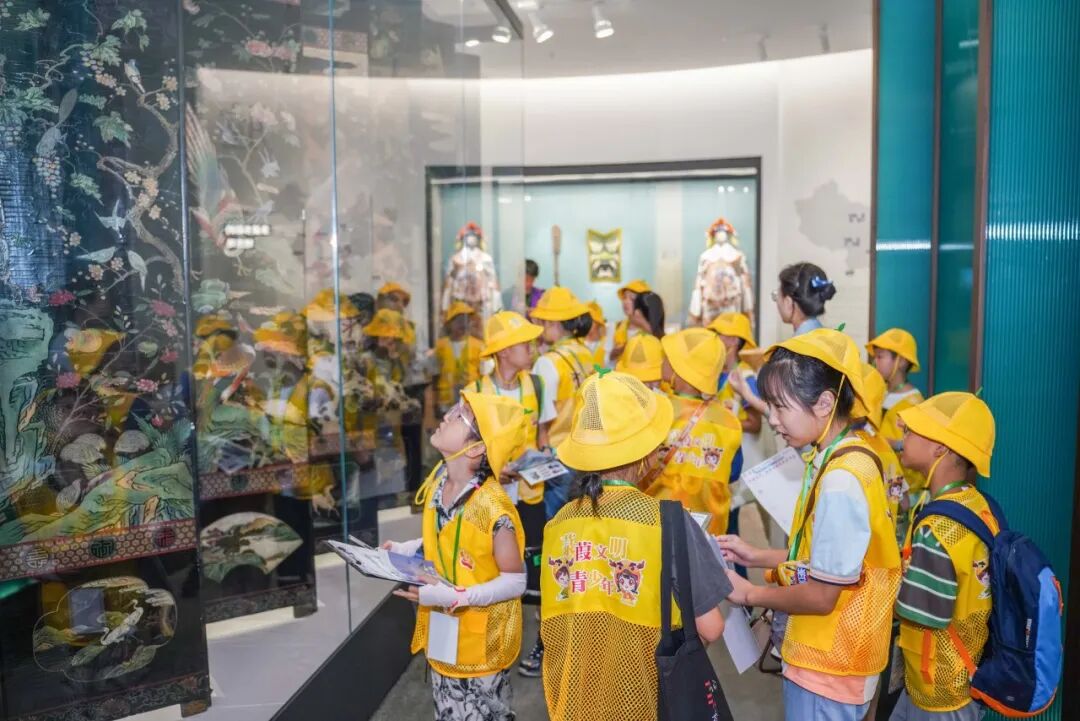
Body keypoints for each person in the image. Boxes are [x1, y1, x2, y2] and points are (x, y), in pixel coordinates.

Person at [719, 328, 902, 720]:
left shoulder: (841, 480)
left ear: (824, 403)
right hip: (833, 659)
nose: (772, 419)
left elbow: (822, 595)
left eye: (780, 407)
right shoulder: (844, 456)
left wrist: (750, 593)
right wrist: (757, 555)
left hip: (829, 667)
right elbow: (829, 559)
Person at [541, 370, 731, 721]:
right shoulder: (667, 521)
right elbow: (711, 626)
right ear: (645, 454)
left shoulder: (558, 524)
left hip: (575, 702)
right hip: (645, 701)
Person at [383, 391, 529, 721]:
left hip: (482, 643)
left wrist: (457, 596)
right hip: (444, 632)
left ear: (476, 449)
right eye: (452, 411)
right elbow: (447, 537)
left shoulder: (493, 508)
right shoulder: (438, 484)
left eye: (458, 417)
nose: (446, 417)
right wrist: (404, 549)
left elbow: (515, 581)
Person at [890, 392, 997, 721]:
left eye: (913, 430)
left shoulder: (937, 529)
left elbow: (918, 612)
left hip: (938, 691)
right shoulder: (976, 504)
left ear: (940, 448)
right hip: (957, 678)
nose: (903, 433)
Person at [472, 310, 555, 677]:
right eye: (525, 344)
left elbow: (542, 435)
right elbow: (466, 448)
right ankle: (494, 645)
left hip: (530, 496)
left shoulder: (536, 385)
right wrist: (492, 465)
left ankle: (541, 644)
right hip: (490, 499)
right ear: (504, 351)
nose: (532, 349)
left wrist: (545, 457)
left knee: (537, 574)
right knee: (492, 572)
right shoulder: (475, 392)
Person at [640, 328, 743, 536]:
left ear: (680, 369)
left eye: (668, 357)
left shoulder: (655, 410)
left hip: (655, 529)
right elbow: (733, 473)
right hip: (707, 535)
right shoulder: (729, 421)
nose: (663, 362)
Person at [529, 287, 597, 450]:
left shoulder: (547, 362)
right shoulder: (586, 352)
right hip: (585, 446)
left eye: (541, 322)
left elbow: (542, 423)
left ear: (552, 323)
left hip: (558, 450)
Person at [867, 328, 927, 504]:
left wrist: (891, 444)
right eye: (875, 357)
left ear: (901, 361)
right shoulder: (879, 393)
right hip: (880, 481)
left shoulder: (914, 404)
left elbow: (918, 452)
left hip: (903, 489)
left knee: (895, 517)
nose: (875, 362)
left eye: (880, 357)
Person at [431, 302, 483, 417]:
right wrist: (434, 402)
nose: (463, 324)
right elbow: (435, 375)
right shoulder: (440, 346)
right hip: (446, 403)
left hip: (472, 402)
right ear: (449, 323)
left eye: (466, 320)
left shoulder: (478, 346)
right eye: (458, 320)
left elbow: (485, 378)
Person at [773, 262, 836, 336]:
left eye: (776, 297)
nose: (777, 302)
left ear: (788, 303)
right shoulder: (840, 339)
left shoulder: (794, 343)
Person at [609, 278, 651, 363]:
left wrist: (645, 326)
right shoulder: (616, 326)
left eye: (632, 299)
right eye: (624, 298)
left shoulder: (654, 328)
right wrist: (615, 353)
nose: (626, 302)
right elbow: (606, 362)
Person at [586, 301, 608, 367]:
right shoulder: (576, 342)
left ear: (598, 323)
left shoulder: (606, 345)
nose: (587, 323)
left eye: (591, 320)